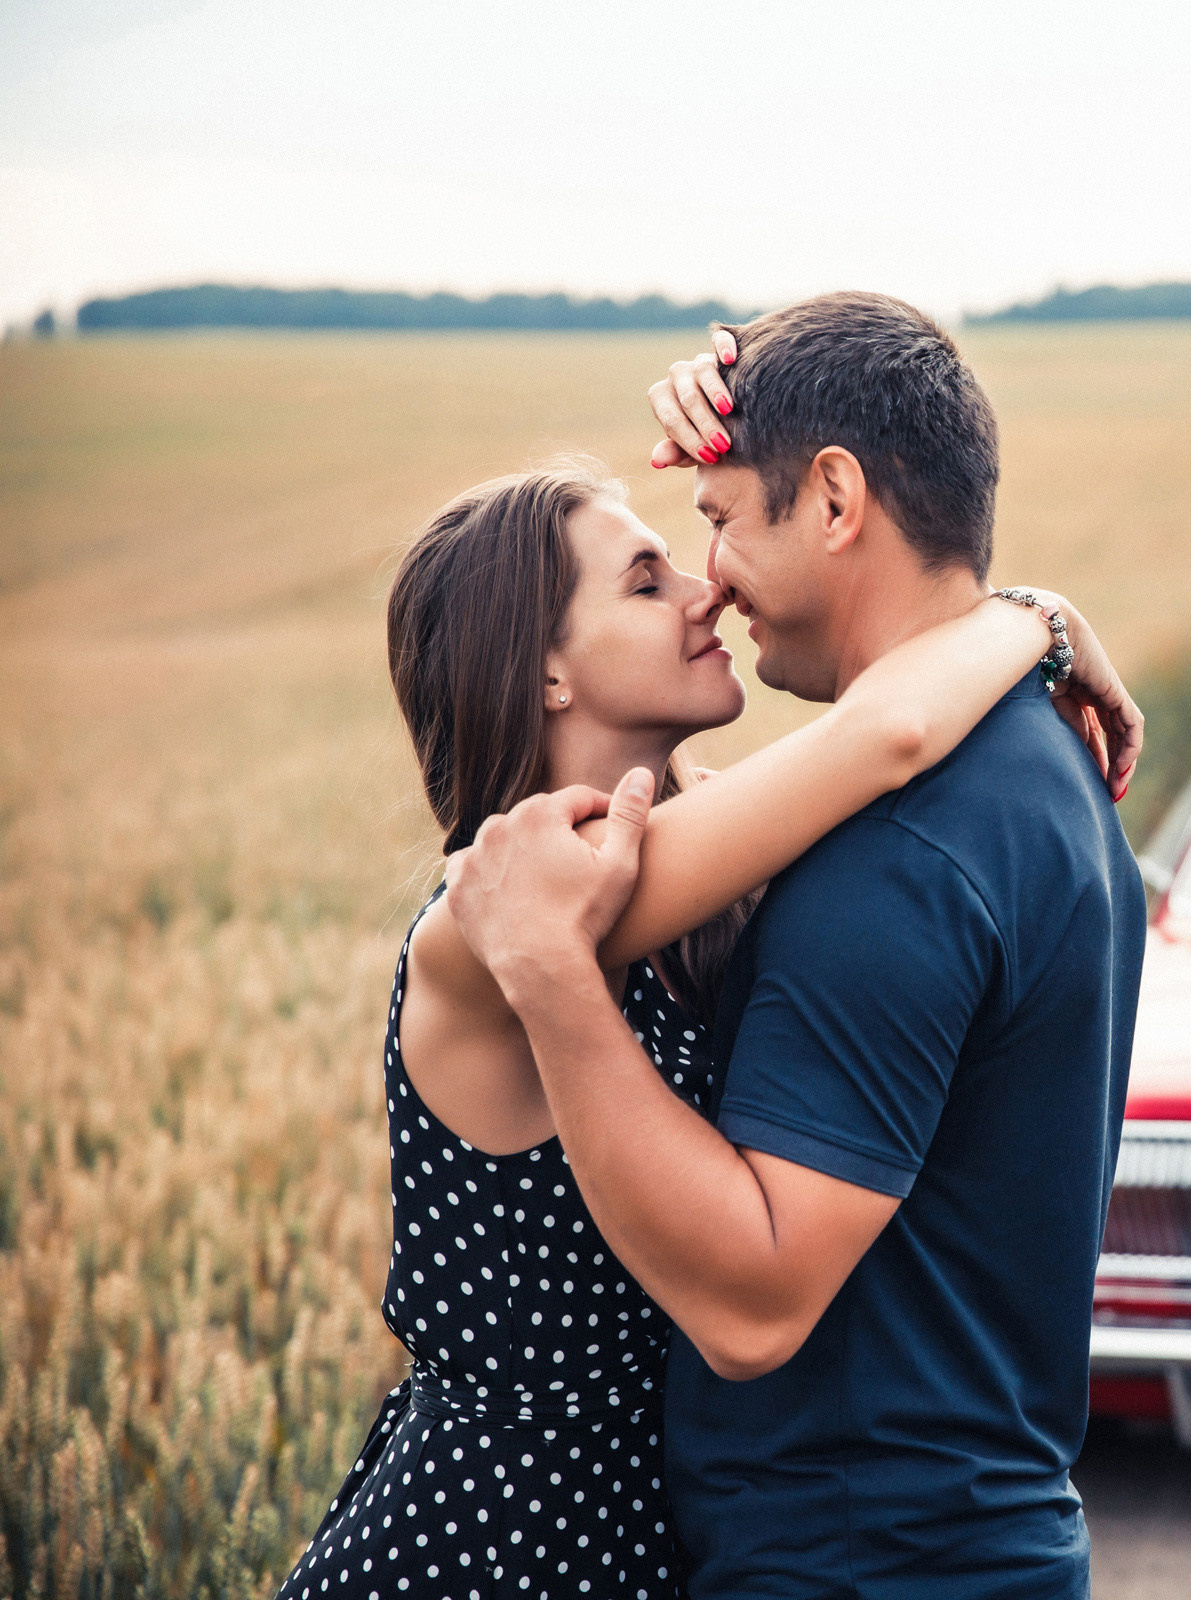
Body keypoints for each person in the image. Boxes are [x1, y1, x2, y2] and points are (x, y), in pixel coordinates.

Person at [279, 427, 1138, 1591]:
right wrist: (1036, 618)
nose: (709, 587)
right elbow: (885, 734)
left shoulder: (703, 851)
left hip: (647, 1536)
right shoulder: (490, 922)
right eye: (648, 581)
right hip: (493, 1541)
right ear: (545, 672)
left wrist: (1033, 616)